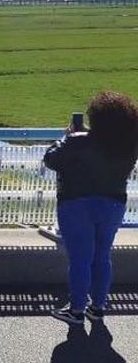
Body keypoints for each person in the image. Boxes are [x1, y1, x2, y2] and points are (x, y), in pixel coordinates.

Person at [43, 91, 138, 325]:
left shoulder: (77, 141)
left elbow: (51, 159)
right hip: (113, 204)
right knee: (102, 256)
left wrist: (67, 137)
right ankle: (98, 307)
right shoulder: (128, 144)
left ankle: (76, 310)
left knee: (80, 259)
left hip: (76, 203)